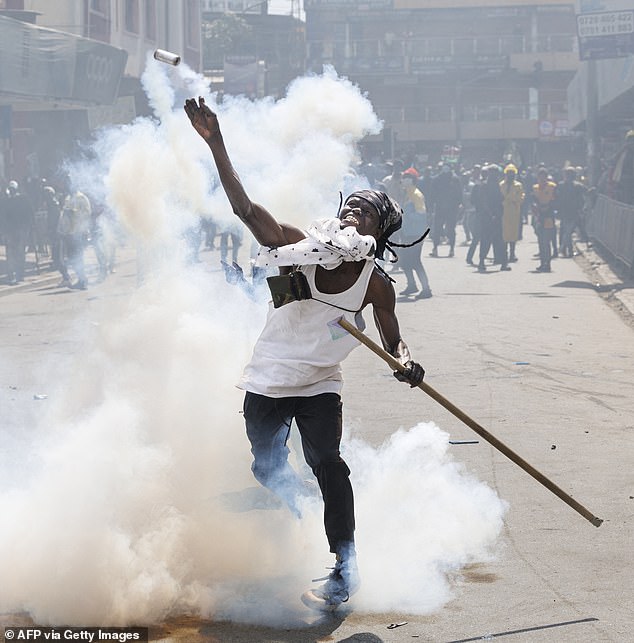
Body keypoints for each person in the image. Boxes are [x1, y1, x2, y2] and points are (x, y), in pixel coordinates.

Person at [184, 96, 425, 610]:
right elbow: (246, 211)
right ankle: (292, 509)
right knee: (267, 468)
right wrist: (216, 143)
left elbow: (392, 337)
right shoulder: (296, 248)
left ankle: (345, 566)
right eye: (351, 204)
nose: (355, 210)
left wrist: (404, 360)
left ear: (378, 232)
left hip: (320, 385)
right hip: (267, 380)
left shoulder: (375, 283)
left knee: (329, 466)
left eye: (368, 210)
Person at [397, 168, 432, 298]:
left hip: (416, 234)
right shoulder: (407, 193)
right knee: (404, 261)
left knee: (415, 261)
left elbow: (421, 215)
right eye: (404, 176)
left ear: (413, 180)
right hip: (407, 232)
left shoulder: (416, 195)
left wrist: (407, 215)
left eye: (407, 177)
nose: (404, 179)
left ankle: (426, 289)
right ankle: (412, 285)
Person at [59, 188, 92, 289]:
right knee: (72, 258)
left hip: (78, 232)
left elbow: (87, 213)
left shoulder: (82, 198)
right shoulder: (68, 198)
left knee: (77, 257)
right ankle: (81, 279)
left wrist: (73, 213)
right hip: (69, 232)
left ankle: (83, 281)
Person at [428, 164, 463, 258]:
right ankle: (435, 248)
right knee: (437, 229)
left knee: (451, 229)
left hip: (452, 209)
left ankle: (451, 249)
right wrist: (430, 206)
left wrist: (459, 205)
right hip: (439, 208)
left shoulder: (455, 179)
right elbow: (432, 194)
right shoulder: (437, 179)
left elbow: (460, 194)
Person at [4, 180, 34, 284]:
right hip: (16, 230)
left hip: (18, 230)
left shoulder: (18, 200)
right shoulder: (18, 199)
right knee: (16, 253)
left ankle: (17, 275)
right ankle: (16, 275)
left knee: (16, 253)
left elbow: (30, 214)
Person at [554, 166, 586, 258]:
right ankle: (566, 250)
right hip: (565, 211)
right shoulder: (561, 185)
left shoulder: (577, 186)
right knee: (565, 231)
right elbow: (556, 197)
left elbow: (586, 193)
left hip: (573, 211)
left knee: (568, 231)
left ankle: (567, 249)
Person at [531, 167, 557, 273]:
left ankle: (548, 264)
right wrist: (535, 207)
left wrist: (547, 207)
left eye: (544, 177)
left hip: (549, 217)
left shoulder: (552, 187)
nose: (542, 179)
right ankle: (542, 263)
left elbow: (555, 201)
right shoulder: (535, 188)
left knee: (546, 241)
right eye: (540, 177)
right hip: (538, 217)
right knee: (540, 242)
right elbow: (532, 200)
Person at [500, 164, 525, 263]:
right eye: (509, 173)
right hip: (503, 212)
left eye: (512, 174)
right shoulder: (501, 184)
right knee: (504, 234)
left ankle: (512, 253)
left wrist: (511, 198)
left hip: (514, 212)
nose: (510, 175)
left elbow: (521, 198)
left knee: (513, 234)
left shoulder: (518, 185)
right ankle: (504, 253)